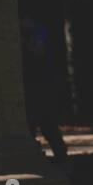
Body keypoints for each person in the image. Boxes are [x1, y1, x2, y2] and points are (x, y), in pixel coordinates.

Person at [20, 15, 69, 163]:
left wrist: (23, 44)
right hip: (34, 84)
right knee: (33, 124)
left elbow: (39, 51)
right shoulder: (30, 32)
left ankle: (63, 161)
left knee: (47, 124)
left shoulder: (38, 31)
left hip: (41, 84)